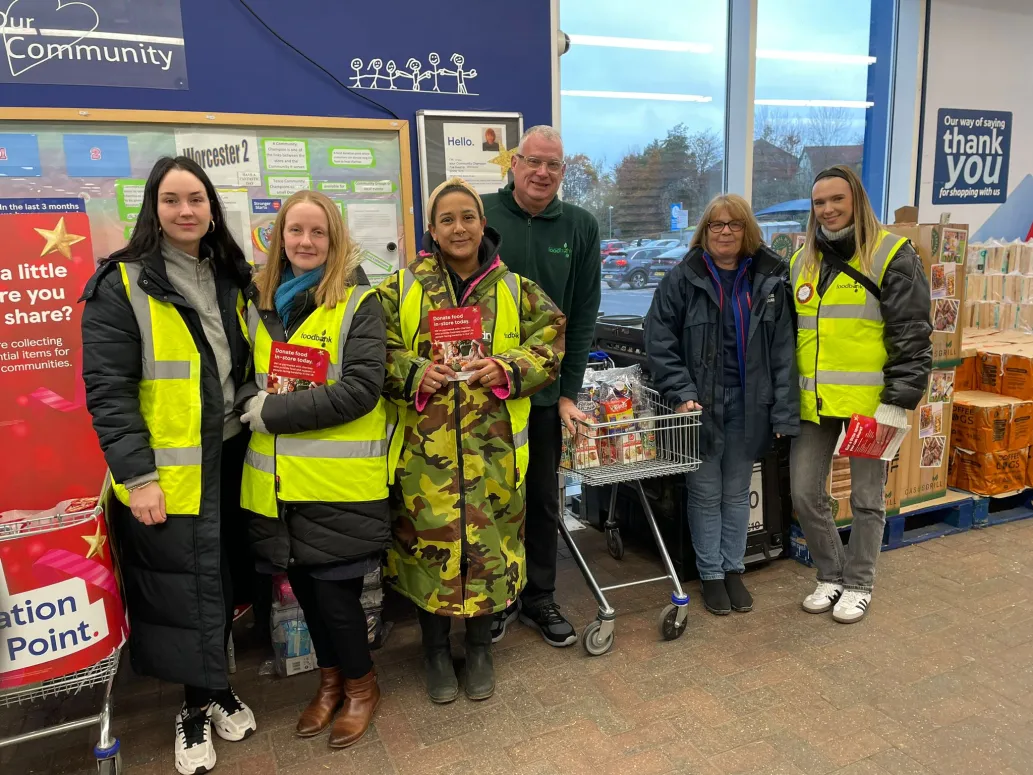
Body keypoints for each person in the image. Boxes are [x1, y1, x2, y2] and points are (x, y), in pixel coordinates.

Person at [81, 157, 256, 775]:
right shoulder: (122, 283)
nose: (187, 211)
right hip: (168, 473)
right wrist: (138, 477)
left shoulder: (232, 274)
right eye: (172, 199)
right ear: (153, 208)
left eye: (198, 199)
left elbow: (243, 365)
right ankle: (191, 709)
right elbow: (108, 390)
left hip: (234, 456)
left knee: (220, 584)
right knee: (181, 593)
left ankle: (215, 687)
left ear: (212, 208)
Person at [379, 177, 566, 704]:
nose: (458, 228)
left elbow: (552, 340)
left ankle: (480, 645)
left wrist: (506, 365)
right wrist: (415, 372)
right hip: (425, 460)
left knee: (489, 550)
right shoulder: (401, 289)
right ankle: (435, 649)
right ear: (432, 231)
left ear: (484, 224)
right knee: (426, 550)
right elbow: (374, 350)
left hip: (493, 457)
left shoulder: (515, 289)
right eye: (447, 219)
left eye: (468, 217)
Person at [236, 190, 388, 748]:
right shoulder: (260, 301)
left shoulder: (356, 302)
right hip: (275, 486)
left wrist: (271, 411)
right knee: (302, 591)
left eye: (317, 232)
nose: (305, 242)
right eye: (295, 231)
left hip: (337, 484)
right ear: (279, 238)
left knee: (336, 600)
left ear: (335, 239)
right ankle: (330, 684)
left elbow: (362, 390)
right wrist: (251, 401)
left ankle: (363, 687)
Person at [790, 165, 932, 623]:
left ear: (856, 201)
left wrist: (899, 401)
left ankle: (859, 582)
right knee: (804, 495)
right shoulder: (801, 261)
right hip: (815, 404)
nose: (827, 210)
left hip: (873, 405)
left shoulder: (892, 255)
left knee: (868, 500)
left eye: (837, 200)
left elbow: (912, 335)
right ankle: (830, 574)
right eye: (819, 202)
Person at [645, 194, 799, 615]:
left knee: (737, 493)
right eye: (716, 225)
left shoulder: (768, 280)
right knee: (705, 492)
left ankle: (734, 570)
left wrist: (783, 410)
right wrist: (682, 393)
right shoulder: (683, 278)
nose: (725, 232)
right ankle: (710, 573)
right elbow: (660, 341)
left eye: (733, 224)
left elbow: (784, 351)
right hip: (700, 406)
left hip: (751, 405)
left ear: (746, 229)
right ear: (705, 231)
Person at [482, 125, 600, 647]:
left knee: (543, 500)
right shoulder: (479, 214)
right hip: (483, 394)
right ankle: (491, 598)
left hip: (546, 398)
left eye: (553, 165)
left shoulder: (580, 226)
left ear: (563, 171)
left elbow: (582, 315)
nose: (542, 173)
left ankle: (539, 596)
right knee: (485, 499)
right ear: (514, 164)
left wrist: (569, 393)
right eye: (533, 161)